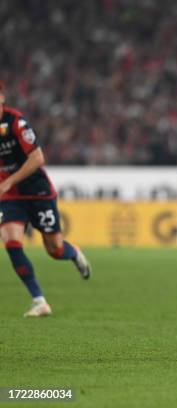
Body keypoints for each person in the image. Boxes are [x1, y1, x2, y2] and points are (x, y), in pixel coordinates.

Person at [0, 81, 91, 317]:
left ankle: (74, 253)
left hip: (37, 191)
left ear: (1, 98)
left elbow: (37, 158)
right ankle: (39, 301)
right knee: (11, 242)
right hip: (10, 196)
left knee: (55, 249)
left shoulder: (16, 123)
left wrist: (9, 180)